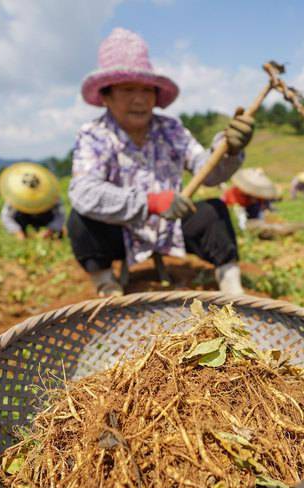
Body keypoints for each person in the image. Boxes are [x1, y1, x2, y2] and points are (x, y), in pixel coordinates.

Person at [67, 28, 254, 297]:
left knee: (214, 211)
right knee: (80, 220)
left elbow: (207, 171)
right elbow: (83, 191)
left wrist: (229, 150)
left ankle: (231, 283)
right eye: (128, 89)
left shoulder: (171, 129)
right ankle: (105, 282)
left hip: (172, 226)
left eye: (147, 90)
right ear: (106, 96)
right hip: (120, 231)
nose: (140, 99)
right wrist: (151, 202)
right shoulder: (94, 136)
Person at [0, 162, 66, 240]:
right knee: (18, 217)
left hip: (45, 218)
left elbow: (60, 215)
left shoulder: (51, 193)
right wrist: (18, 232)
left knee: (57, 232)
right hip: (24, 219)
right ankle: (24, 235)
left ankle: (53, 236)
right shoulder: (17, 195)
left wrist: (50, 230)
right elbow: (6, 216)